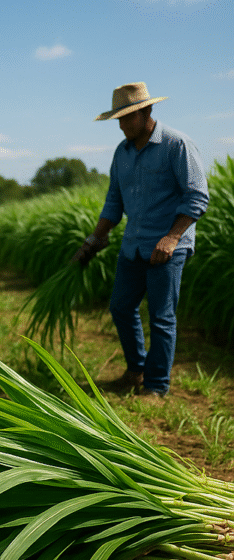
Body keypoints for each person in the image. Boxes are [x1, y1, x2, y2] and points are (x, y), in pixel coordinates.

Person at [73, 82, 209, 397]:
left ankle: (157, 387)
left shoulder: (176, 145)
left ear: (146, 111)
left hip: (168, 248)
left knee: (161, 318)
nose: (121, 126)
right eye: (118, 119)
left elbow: (197, 197)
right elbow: (113, 203)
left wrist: (172, 237)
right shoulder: (122, 153)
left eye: (126, 118)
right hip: (133, 245)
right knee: (121, 306)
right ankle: (136, 370)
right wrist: (95, 239)